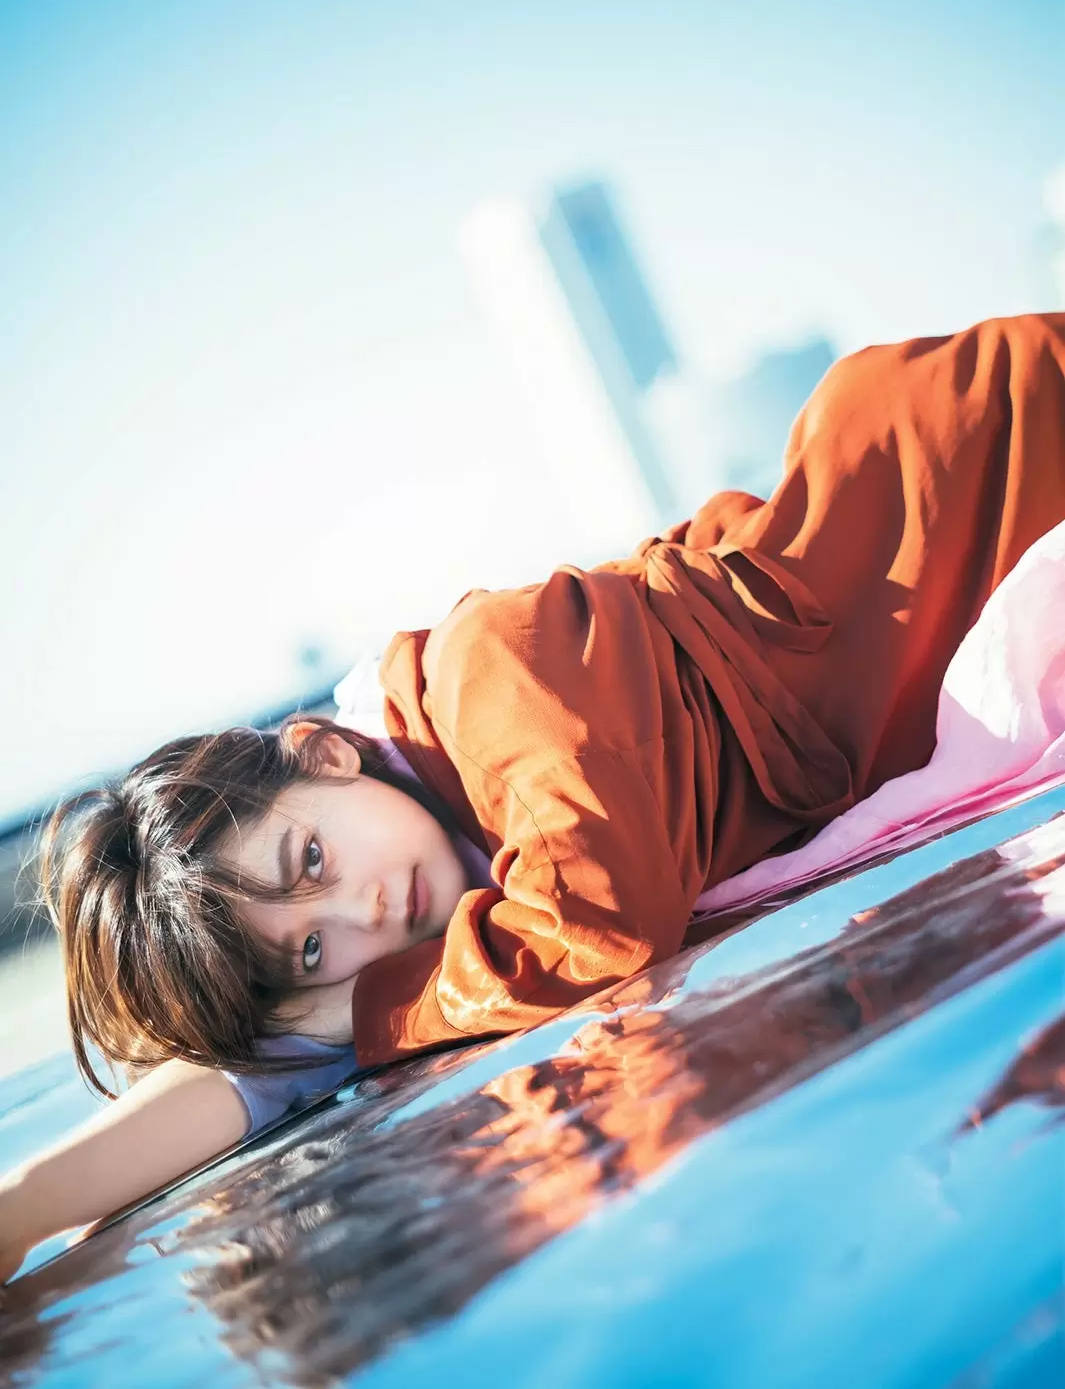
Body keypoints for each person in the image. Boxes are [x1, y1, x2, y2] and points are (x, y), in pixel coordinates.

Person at [2, 310, 1065, 1284]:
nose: (363, 912)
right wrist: (25, 1208)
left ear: (322, 752)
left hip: (975, 464)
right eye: (312, 947)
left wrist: (356, 1004)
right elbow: (263, 1071)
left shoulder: (491, 673)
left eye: (312, 862)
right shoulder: (435, 911)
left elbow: (597, 925)